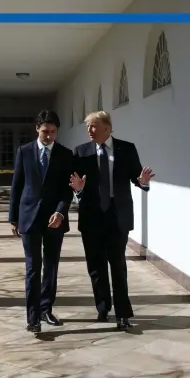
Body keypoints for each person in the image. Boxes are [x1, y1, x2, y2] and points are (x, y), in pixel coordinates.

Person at [69, 111, 154, 330]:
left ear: (107, 128)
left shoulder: (126, 149)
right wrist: (78, 191)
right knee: (96, 267)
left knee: (118, 265)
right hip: (92, 217)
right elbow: (77, 184)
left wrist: (143, 182)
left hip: (118, 217)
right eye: (88, 127)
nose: (89, 130)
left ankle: (123, 314)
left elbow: (137, 178)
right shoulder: (81, 152)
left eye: (93, 126)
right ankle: (103, 307)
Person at [8, 110, 73, 333]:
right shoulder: (24, 152)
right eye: (45, 131)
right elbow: (17, 186)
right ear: (37, 129)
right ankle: (33, 317)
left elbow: (68, 190)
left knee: (51, 267)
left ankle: (46, 309)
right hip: (29, 218)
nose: (49, 136)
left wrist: (61, 212)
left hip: (55, 219)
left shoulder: (65, 154)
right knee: (33, 267)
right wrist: (13, 218)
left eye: (53, 132)